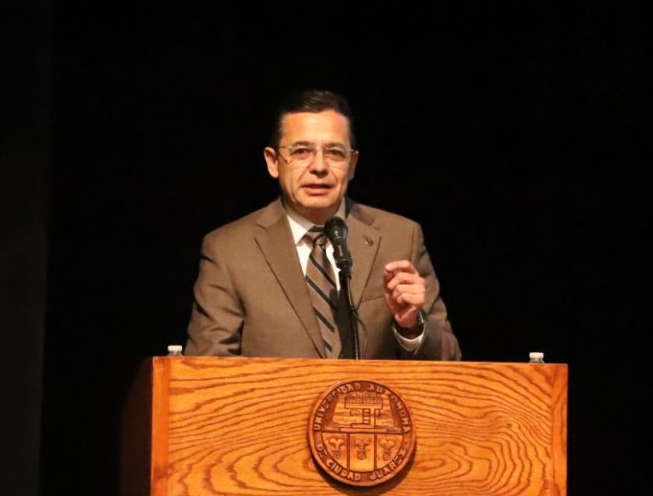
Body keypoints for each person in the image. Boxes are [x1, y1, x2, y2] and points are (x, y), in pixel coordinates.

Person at [185, 90, 460, 360]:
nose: (319, 166)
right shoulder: (229, 250)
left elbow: (451, 362)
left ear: (352, 164)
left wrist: (412, 327)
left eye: (334, 153)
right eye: (301, 151)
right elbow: (206, 370)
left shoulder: (400, 239)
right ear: (273, 162)